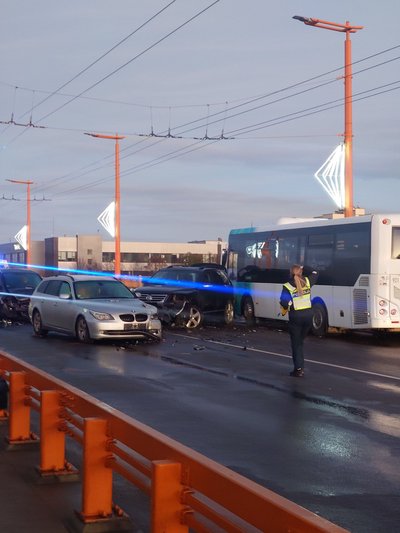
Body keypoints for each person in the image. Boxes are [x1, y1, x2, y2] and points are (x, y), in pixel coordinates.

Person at [280, 264, 318, 377]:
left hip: (296, 318)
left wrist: (287, 306)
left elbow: (284, 302)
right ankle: (299, 365)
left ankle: (299, 369)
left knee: (296, 344)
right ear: (301, 272)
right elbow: (316, 272)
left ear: (290, 273)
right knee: (299, 342)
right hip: (309, 317)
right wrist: (304, 266)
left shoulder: (287, 286)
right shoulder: (307, 281)